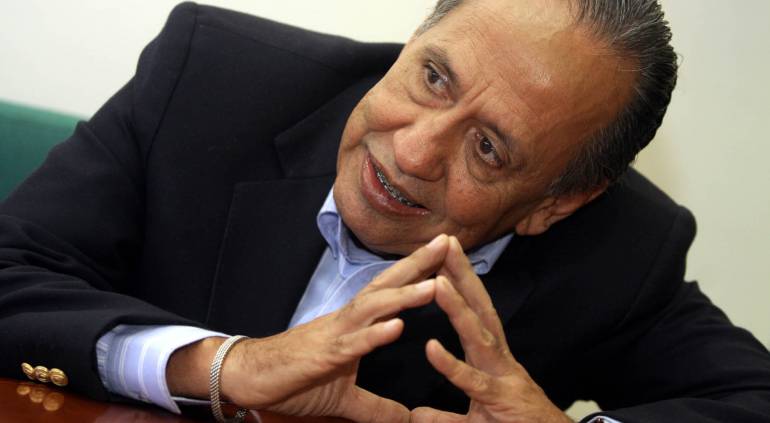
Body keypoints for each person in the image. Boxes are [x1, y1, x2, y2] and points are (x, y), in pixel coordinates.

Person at [1, 0, 769, 422]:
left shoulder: (618, 253)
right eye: (433, 78)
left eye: (489, 148)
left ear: (555, 202)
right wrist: (223, 365)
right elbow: (12, 273)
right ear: (416, 37)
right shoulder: (211, 77)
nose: (413, 150)